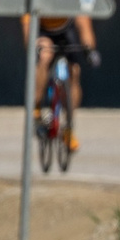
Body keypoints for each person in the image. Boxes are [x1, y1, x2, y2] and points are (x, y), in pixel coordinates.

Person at [34, 13, 99, 151]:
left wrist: (90, 50)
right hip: (42, 29)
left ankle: (68, 126)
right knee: (45, 55)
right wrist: (32, 46)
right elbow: (28, 25)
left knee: (74, 71)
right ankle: (36, 110)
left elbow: (83, 20)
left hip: (65, 30)